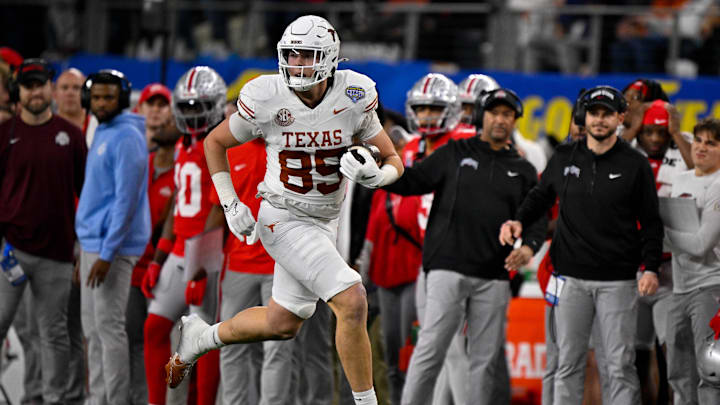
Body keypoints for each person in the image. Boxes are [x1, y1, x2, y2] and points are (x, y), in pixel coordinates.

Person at [165, 16, 403, 405]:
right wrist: (230, 203)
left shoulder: (355, 94)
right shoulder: (266, 96)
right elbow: (214, 142)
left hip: (325, 221)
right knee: (352, 299)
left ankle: (201, 338)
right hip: (282, 217)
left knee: (282, 323)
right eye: (291, 54)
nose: (296, 63)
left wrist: (378, 176)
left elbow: (395, 158)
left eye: (306, 55)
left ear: (328, 59)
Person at [500, 85, 664, 405]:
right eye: (593, 113)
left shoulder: (635, 165)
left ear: (620, 118)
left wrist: (651, 268)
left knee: (618, 366)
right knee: (567, 364)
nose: (599, 120)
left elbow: (652, 222)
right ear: (583, 117)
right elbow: (539, 197)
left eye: (606, 114)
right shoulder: (563, 157)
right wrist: (518, 220)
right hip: (570, 279)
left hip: (617, 281)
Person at [387, 87, 547, 405]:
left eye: (507, 114)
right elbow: (412, 181)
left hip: (494, 277)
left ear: (515, 121)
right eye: (494, 113)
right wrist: (380, 173)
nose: (500, 120)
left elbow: (537, 219)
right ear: (480, 116)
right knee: (431, 350)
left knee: (484, 362)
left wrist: (529, 246)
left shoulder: (524, 170)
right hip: (446, 268)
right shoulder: (453, 153)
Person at [0, 58, 86, 405]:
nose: (35, 91)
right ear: (18, 92)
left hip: (58, 254)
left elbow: (88, 194)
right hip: (11, 251)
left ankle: (54, 399)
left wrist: (83, 248)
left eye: (40, 84)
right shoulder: (5, 134)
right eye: (28, 85)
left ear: (49, 88)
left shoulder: (72, 136)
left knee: (54, 335)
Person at [141, 66, 226, 405]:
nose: (192, 113)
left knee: (204, 339)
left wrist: (201, 266)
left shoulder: (219, 144)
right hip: (177, 251)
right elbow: (178, 206)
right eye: (187, 106)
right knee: (155, 329)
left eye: (199, 106)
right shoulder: (181, 146)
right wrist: (157, 258)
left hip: (206, 254)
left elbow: (218, 209)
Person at [75, 69, 150, 405]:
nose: (102, 103)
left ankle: (114, 401)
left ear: (121, 99)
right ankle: (99, 398)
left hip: (112, 250)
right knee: (93, 331)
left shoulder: (126, 138)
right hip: (94, 245)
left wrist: (106, 254)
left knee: (109, 330)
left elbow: (126, 201)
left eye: (109, 97)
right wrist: (86, 249)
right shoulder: (104, 130)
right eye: (97, 96)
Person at [354, 125, 419, 405]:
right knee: (392, 355)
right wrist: (359, 282)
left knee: (410, 353)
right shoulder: (381, 190)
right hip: (385, 280)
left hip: (412, 277)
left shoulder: (419, 189)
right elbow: (370, 238)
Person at [664, 118, 720, 405]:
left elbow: (700, 244)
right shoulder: (681, 179)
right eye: (698, 140)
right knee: (676, 370)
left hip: (711, 287)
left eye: (711, 143)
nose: (701, 147)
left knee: (709, 373)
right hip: (679, 286)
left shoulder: (719, 185)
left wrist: (662, 232)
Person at [135, 82, 172, 149]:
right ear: (139, 108)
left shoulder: (179, 148)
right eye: (150, 104)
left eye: (162, 104)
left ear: (170, 111)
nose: (156, 109)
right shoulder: (126, 143)